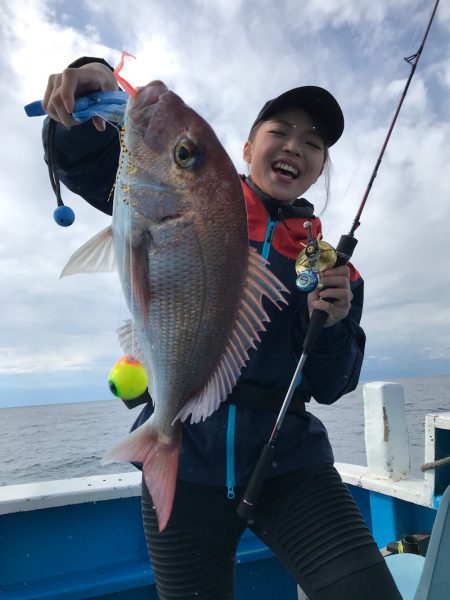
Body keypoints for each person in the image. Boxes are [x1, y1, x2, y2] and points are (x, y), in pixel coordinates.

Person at [42, 57, 401, 600]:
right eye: (279, 132)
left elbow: (332, 385)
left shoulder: (332, 269)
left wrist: (331, 325)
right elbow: (101, 167)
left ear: (320, 166)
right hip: (186, 461)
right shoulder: (195, 194)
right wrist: (79, 108)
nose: (294, 147)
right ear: (249, 148)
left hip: (292, 465)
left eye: (313, 143)